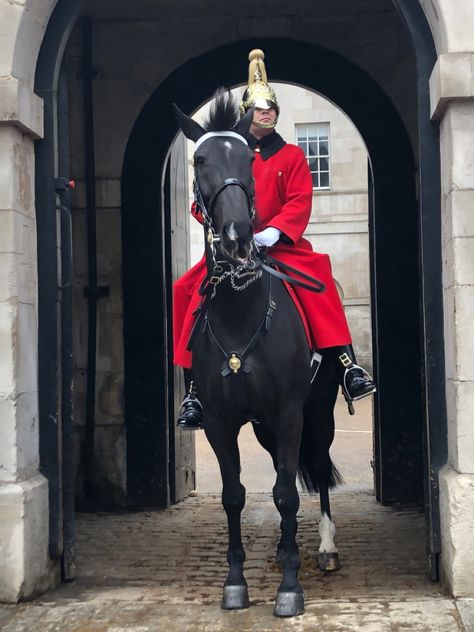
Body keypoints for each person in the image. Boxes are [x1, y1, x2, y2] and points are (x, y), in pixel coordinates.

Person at [174, 49, 376, 429]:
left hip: (280, 245)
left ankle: (345, 362)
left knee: (319, 280)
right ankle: (194, 388)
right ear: (248, 115)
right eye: (259, 109)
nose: (266, 114)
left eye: (271, 109)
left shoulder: (293, 155)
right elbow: (206, 198)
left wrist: (273, 231)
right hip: (233, 247)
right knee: (187, 289)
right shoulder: (229, 155)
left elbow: (300, 200)